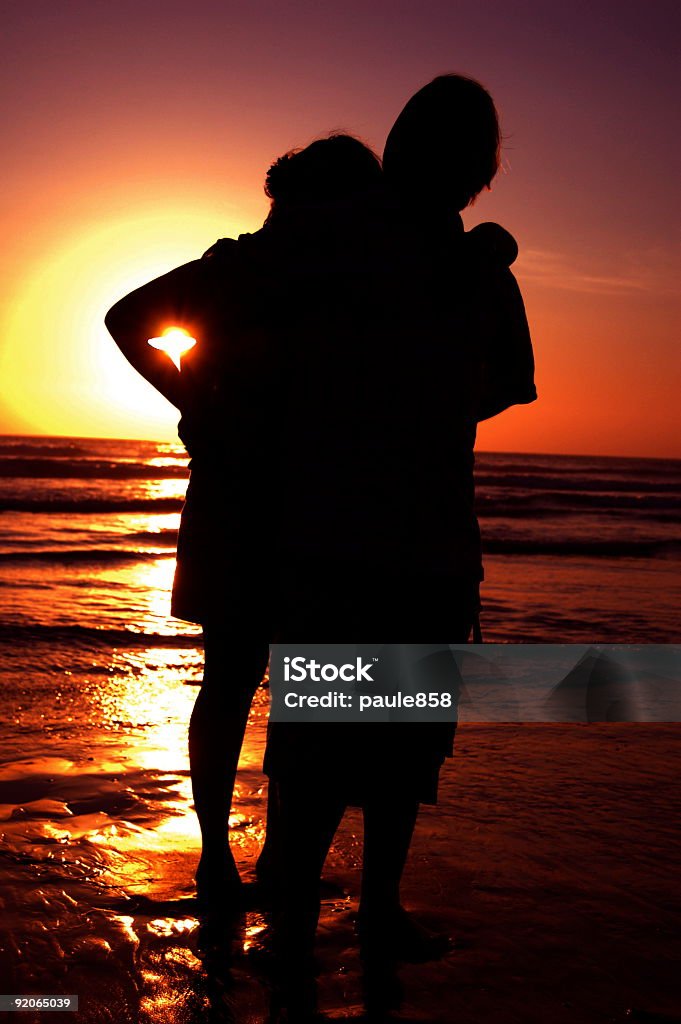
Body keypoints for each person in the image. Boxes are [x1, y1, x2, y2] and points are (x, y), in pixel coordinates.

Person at [262, 75, 536, 1019]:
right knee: (368, 748)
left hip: (367, 535)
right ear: (465, 164)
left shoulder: (362, 242)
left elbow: (505, 378)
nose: (474, 182)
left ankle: (330, 920)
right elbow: (508, 382)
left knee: (355, 748)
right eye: (472, 162)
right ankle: (335, 918)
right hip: (380, 536)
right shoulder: (416, 249)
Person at [103, 134, 383, 913]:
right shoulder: (238, 269)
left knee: (273, 683)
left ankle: (259, 862)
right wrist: (193, 399)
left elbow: (127, 318)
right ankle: (223, 859)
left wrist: (196, 399)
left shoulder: (294, 275)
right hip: (251, 499)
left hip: (292, 500)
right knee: (241, 681)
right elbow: (125, 316)